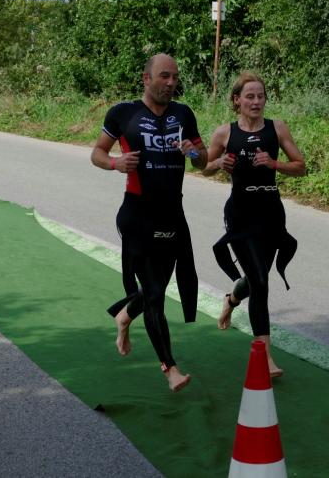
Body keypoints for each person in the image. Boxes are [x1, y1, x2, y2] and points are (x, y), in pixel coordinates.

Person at [91, 53, 207, 392]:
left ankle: (125, 315)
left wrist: (193, 152)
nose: (171, 83)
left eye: (175, 77)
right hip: (137, 214)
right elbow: (97, 153)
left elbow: (202, 161)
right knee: (155, 294)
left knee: (157, 286)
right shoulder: (123, 113)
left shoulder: (183, 114)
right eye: (164, 76)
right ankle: (170, 369)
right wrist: (115, 163)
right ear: (146, 78)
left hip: (172, 214)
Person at [202, 71, 306, 377]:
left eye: (261, 96)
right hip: (240, 215)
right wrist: (218, 163)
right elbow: (204, 166)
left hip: (271, 213)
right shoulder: (224, 133)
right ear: (237, 100)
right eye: (250, 96)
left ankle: (231, 298)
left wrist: (274, 163)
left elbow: (301, 167)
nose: (256, 101)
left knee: (256, 278)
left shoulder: (277, 128)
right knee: (260, 281)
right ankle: (266, 357)